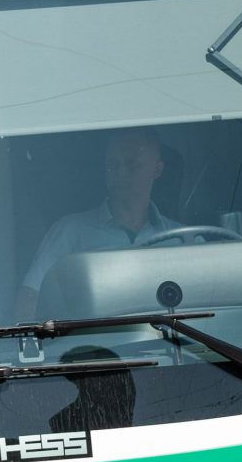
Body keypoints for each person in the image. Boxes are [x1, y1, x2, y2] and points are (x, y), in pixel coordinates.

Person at [14, 129, 183, 319]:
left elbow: (206, 311)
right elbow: (28, 302)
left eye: (132, 165)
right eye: (113, 164)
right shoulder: (69, 232)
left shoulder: (183, 240)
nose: (120, 173)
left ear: (157, 170)